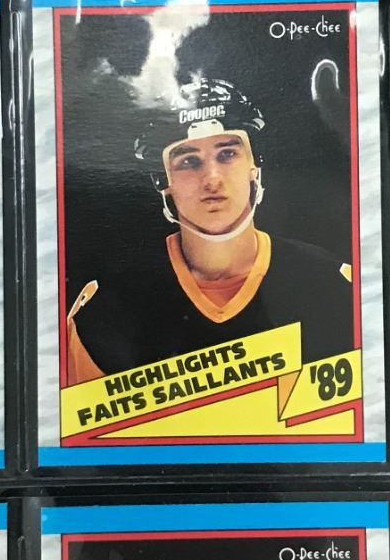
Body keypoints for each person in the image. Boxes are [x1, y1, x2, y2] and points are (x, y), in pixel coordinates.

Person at [65, 78, 355, 383]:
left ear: (254, 165)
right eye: (189, 161)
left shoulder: (332, 284)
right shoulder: (106, 310)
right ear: (163, 181)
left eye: (227, 154)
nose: (212, 179)